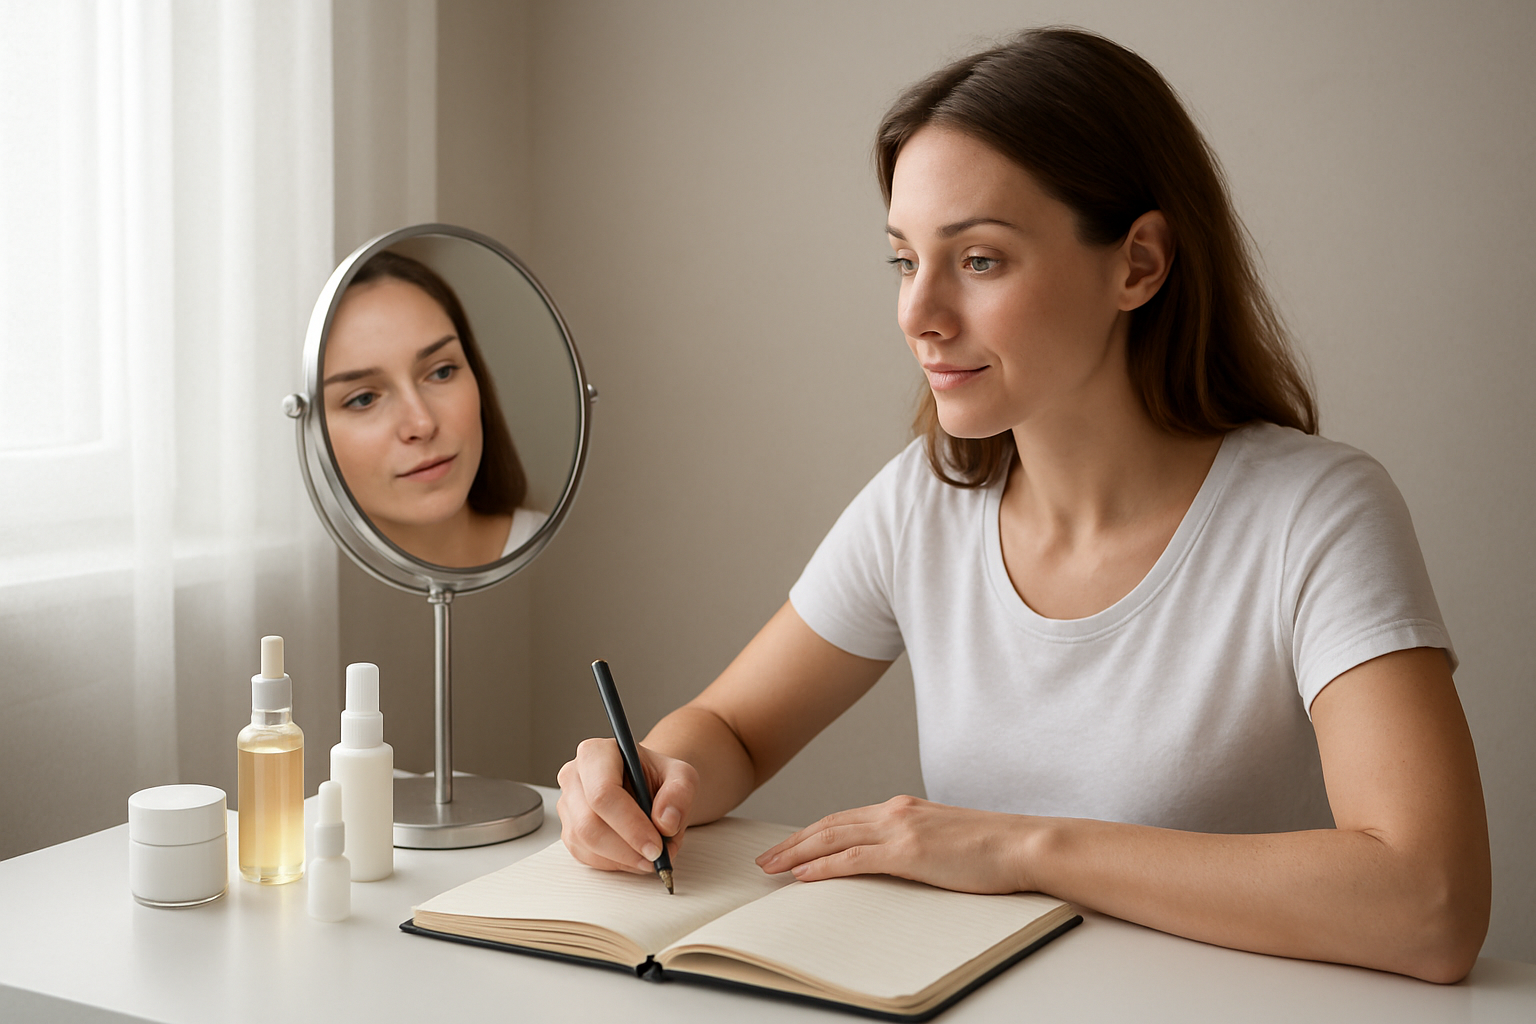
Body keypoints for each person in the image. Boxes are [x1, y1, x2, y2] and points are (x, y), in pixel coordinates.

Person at [556, 28, 1490, 983]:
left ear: (1139, 264)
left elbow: (1431, 902)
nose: (920, 313)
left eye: (981, 260)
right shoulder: (923, 502)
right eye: (904, 260)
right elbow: (737, 731)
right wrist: (650, 774)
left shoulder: (1315, 514)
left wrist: (1016, 849)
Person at [322, 250, 546, 567]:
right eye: (363, 399)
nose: (423, 423)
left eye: (442, 372)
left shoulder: (566, 561)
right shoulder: (301, 596)